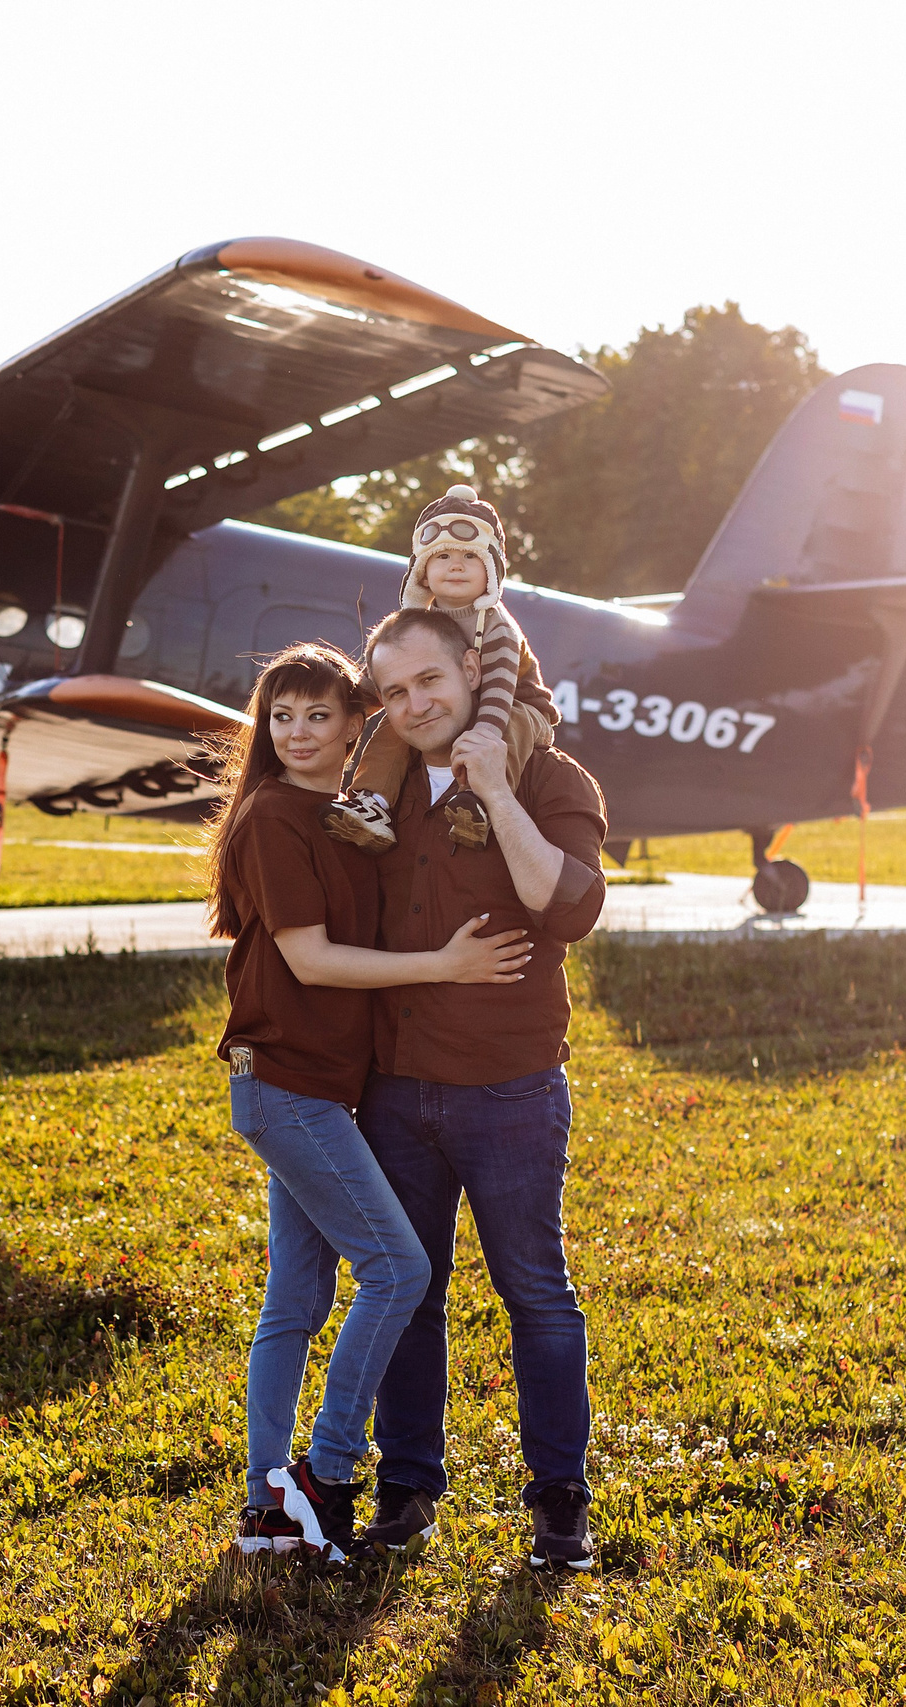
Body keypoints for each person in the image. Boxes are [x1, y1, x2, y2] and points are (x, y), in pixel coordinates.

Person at [206, 640, 536, 1563]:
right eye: (281, 716)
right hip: (283, 1086)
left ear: (360, 726)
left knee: (297, 1299)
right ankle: (324, 1468)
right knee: (398, 1270)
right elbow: (309, 959)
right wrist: (445, 965)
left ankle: (266, 1508)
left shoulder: (349, 815)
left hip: (320, 1088)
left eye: (320, 715)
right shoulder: (274, 815)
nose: (299, 732)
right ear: (264, 730)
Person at [348, 606, 611, 1571]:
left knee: (536, 1293)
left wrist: (498, 793)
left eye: (430, 681)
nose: (416, 704)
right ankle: (408, 1488)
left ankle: (559, 1502)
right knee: (408, 1294)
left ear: (471, 666)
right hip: (393, 1095)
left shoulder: (550, 772)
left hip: (508, 1090)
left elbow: (569, 906)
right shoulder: (372, 792)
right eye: (394, 692)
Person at [325, 483, 556, 854]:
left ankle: (477, 802)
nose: (456, 565)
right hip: (459, 707)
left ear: (493, 570)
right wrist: (343, 711)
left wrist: (481, 737)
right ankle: (372, 803)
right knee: (394, 724)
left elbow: (497, 693)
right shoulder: (420, 625)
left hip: (516, 707)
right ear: (422, 572)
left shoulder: (498, 629)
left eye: (470, 556)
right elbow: (377, 686)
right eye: (442, 556)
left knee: (511, 727)